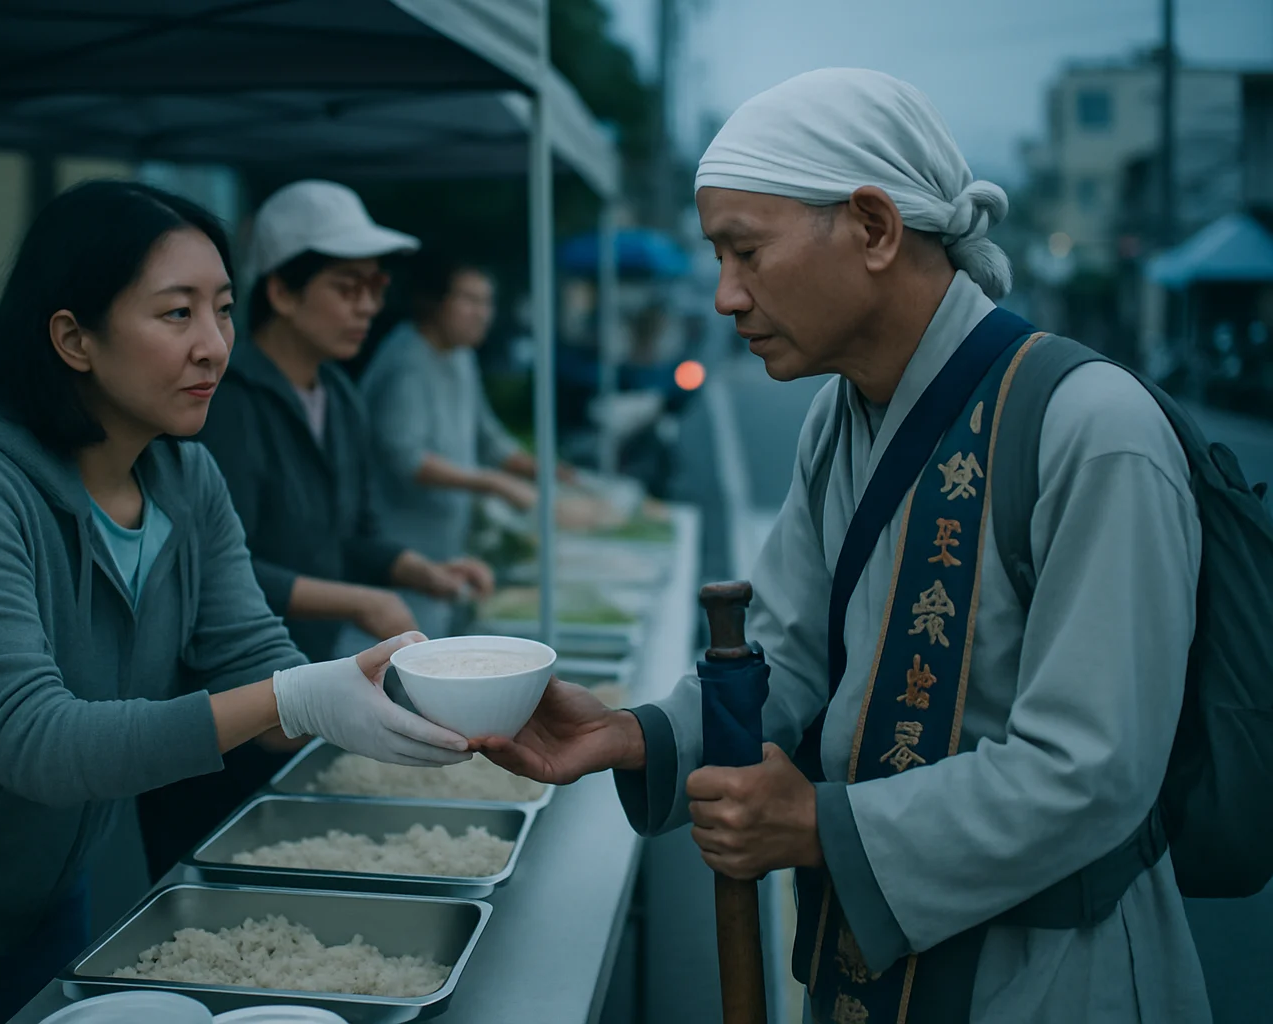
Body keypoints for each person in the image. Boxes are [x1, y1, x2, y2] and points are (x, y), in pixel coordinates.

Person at [479, 69, 1212, 1024]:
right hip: (872, 957)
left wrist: (821, 824)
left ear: (873, 227)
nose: (725, 296)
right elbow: (787, 658)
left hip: (1049, 977)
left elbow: (1091, 773)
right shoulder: (841, 414)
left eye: (745, 251)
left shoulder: (1090, 426)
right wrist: (638, 734)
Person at [0, 180, 471, 1024]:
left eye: (221, 309)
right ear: (74, 338)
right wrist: (295, 695)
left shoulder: (186, 476)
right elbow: (36, 742)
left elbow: (254, 661)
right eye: (177, 314)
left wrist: (383, 696)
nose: (214, 346)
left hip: (43, 895)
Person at [136, 182, 495, 876]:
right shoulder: (223, 402)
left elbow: (352, 533)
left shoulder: (340, 395)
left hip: (305, 688)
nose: (367, 305)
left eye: (374, 287)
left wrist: (421, 570)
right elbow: (214, 571)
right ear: (280, 292)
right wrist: (356, 601)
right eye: (345, 286)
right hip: (221, 709)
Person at [360, 252, 562, 638]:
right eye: (469, 300)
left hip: (447, 549)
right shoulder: (406, 362)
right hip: (398, 553)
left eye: (487, 301)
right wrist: (492, 483)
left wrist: (544, 469)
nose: (482, 313)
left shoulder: (461, 357)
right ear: (432, 302)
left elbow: (488, 437)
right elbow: (407, 459)